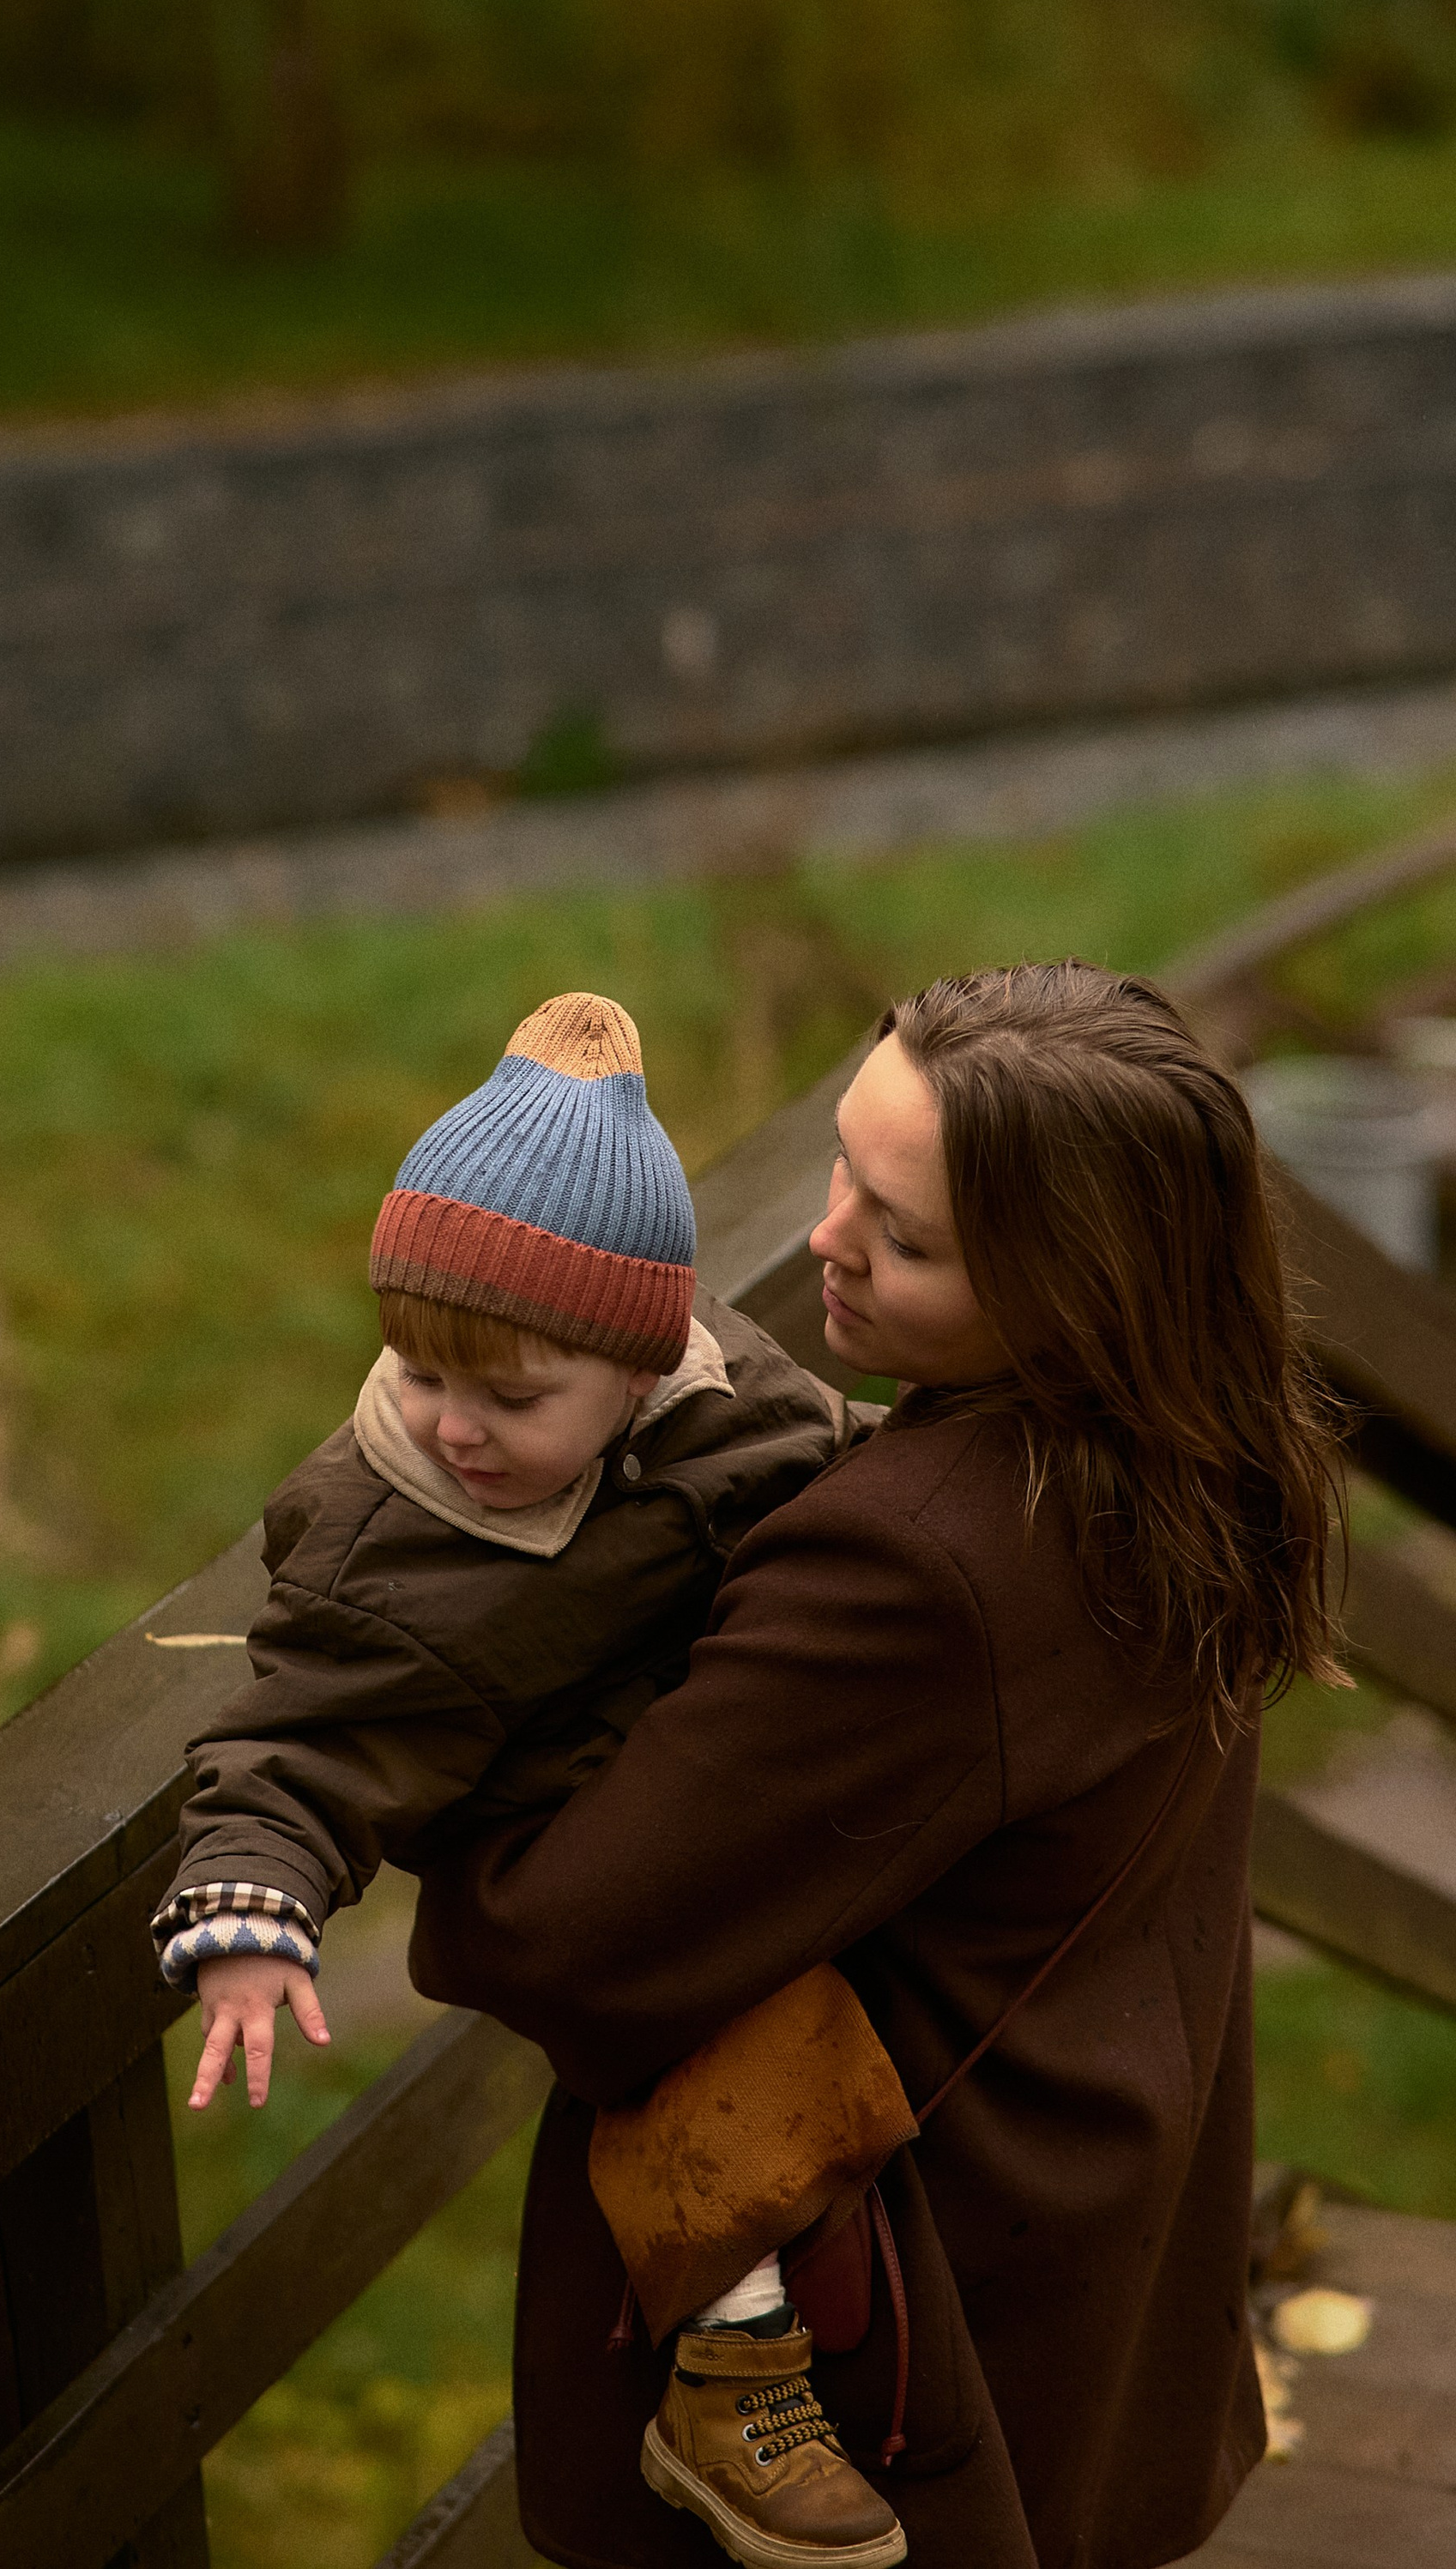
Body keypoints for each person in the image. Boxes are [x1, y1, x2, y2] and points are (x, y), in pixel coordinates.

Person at [406, 962, 1351, 2569]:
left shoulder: (922, 1572)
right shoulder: (1197, 1450)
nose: (828, 1232)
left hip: (890, 2342)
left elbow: (565, 1937)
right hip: (1089, 2216)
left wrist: (413, 1716)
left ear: (1073, 1288)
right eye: (848, 1162)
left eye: (905, 1236)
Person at [154, 992, 924, 2564]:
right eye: (426, 1371)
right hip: (571, 1845)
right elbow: (297, 1737)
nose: (457, 1427)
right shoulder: (392, 1543)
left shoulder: (726, 1399)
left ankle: (862, 2305)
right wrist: (247, 1907)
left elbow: (837, 1465)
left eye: (512, 1397)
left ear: (643, 1369)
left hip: (711, 1772)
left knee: (857, 2027)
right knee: (722, 2057)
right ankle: (733, 2371)